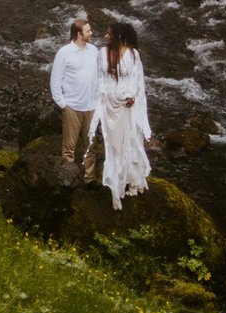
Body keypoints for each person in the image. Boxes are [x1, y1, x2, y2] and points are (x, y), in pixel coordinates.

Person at [89, 21, 152, 211]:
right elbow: (101, 80)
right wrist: (107, 99)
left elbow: (138, 80)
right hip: (110, 105)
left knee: (129, 142)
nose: (106, 36)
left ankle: (129, 179)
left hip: (127, 106)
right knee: (113, 146)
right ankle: (115, 181)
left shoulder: (133, 54)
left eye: (109, 33)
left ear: (118, 36)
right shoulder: (102, 54)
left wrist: (132, 96)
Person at [49, 16, 99, 183]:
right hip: (72, 106)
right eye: (88, 31)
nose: (91, 33)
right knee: (69, 148)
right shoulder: (64, 53)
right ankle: (69, 180)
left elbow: (100, 76)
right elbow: (55, 80)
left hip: (92, 106)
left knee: (91, 145)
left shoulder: (94, 50)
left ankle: (89, 179)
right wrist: (63, 104)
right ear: (79, 34)